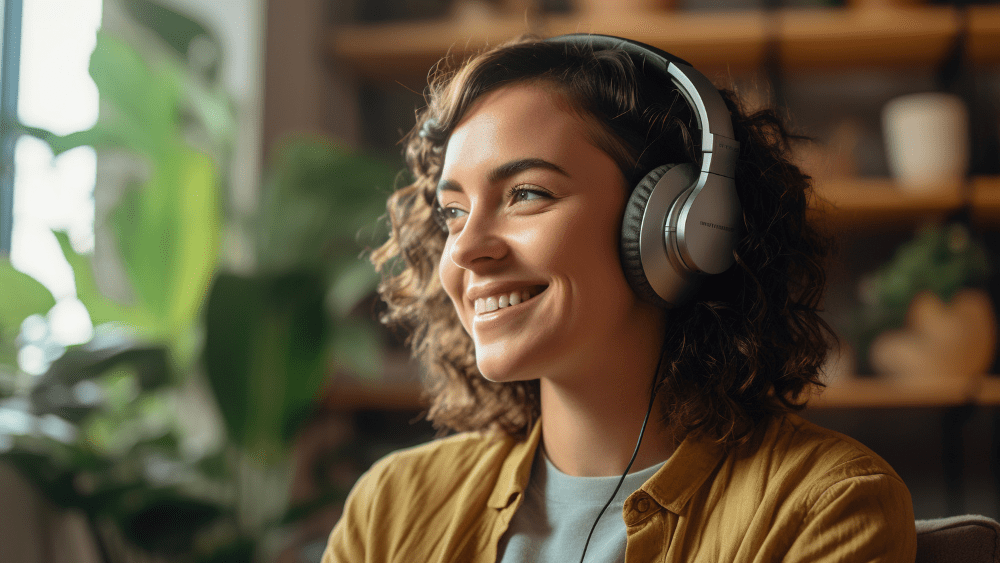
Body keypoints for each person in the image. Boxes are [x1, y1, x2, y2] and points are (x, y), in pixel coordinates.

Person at [322, 34, 917, 563]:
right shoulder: (391, 508)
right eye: (453, 212)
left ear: (682, 230)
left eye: (527, 193)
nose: (466, 249)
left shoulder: (825, 506)